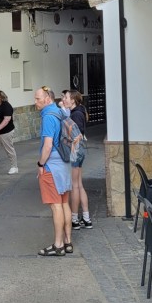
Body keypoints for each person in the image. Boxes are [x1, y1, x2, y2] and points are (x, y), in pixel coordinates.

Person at [35, 86, 73, 256]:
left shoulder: (48, 117)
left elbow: (48, 145)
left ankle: (58, 245)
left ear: (48, 99)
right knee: (64, 203)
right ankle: (68, 242)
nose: (35, 102)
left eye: (38, 99)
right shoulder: (60, 112)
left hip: (52, 167)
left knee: (56, 206)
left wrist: (41, 164)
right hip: (64, 164)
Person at [63, 90, 92, 230]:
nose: (64, 99)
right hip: (80, 151)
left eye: (66, 97)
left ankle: (74, 218)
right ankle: (86, 218)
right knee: (79, 184)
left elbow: (76, 135)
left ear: (73, 100)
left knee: (74, 185)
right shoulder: (79, 112)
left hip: (75, 152)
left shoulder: (76, 115)